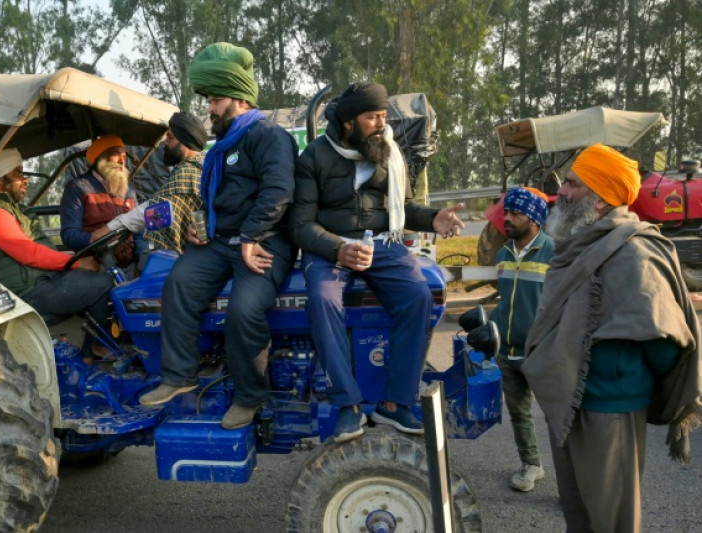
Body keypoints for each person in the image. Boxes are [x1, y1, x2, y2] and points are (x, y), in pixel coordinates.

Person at [523, 144, 702, 532]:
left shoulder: (634, 252)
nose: (561, 191)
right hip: (567, 404)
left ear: (601, 199)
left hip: (611, 409)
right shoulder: (577, 245)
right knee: (580, 517)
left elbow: (663, 342)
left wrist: (621, 374)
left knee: (613, 523)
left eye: (572, 184)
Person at [288, 82, 465, 442]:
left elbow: (405, 207)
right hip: (330, 246)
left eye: (384, 116)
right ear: (348, 122)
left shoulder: (389, 152)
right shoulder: (314, 157)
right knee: (322, 300)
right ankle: (347, 404)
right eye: (373, 117)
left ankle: (395, 403)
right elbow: (300, 225)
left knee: (418, 296)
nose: (382, 124)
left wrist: (432, 218)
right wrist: (339, 249)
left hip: (383, 243)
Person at [138, 42, 298, 430]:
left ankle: (250, 396)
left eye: (216, 100)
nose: (209, 108)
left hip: (264, 241)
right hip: (221, 242)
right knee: (178, 282)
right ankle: (179, 375)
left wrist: (250, 236)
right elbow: (214, 200)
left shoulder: (268, 136)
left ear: (240, 100)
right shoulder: (220, 148)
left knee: (244, 309)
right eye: (209, 100)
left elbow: (278, 192)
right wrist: (202, 226)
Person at [0, 148, 115, 360]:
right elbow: (29, 253)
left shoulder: (11, 209)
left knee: (99, 277)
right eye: (18, 173)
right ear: (0, 179)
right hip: (26, 293)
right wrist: (75, 263)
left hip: (42, 281)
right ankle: (98, 347)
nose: (25, 180)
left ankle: (88, 355)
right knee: (103, 283)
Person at [488, 187, 554, 491]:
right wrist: (488, 325)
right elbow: (507, 301)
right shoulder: (503, 254)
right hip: (507, 350)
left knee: (559, 417)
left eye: (516, 213)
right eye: (507, 213)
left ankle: (577, 477)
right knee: (519, 413)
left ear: (534, 219)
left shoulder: (554, 253)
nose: (508, 219)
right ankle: (531, 466)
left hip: (542, 351)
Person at [93, 112, 207, 254]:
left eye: (170, 137)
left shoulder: (188, 172)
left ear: (185, 141)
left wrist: (109, 229)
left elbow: (157, 210)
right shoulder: (205, 166)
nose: (165, 142)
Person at [59, 134, 145, 269]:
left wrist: (141, 264)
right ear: (101, 158)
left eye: (124, 157)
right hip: (96, 267)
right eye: (115, 155)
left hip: (131, 266)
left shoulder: (129, 193)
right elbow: (70, 235)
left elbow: (140, 232)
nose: (121, 161)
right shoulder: (78, 188)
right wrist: (105, 243)